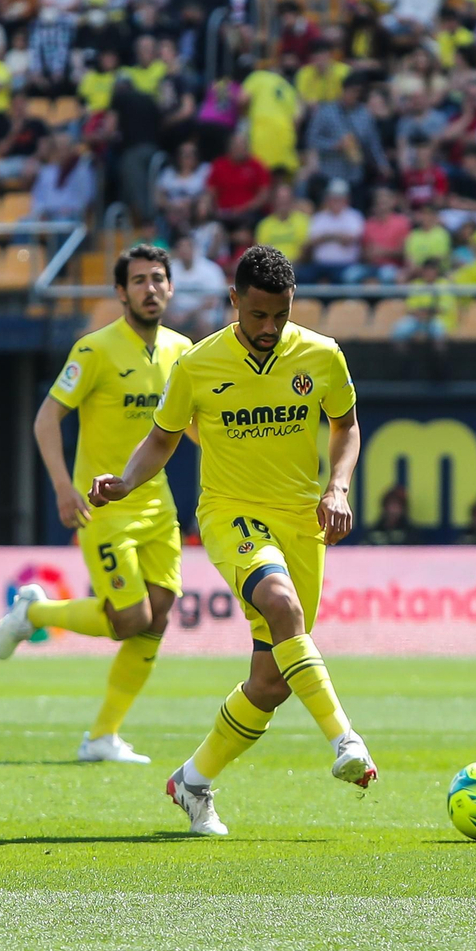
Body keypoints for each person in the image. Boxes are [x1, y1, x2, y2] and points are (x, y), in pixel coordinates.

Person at [84, 246, 374, 836]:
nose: (269, 327)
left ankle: (192, 781)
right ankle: (345, 739)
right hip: (230, 514)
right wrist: (127, 480)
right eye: (258, 314)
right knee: (282, 605)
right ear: (234, 300)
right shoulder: (198, 363)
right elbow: (163, 438)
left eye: (281, 315)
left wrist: (338, 487)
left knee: (270, 684)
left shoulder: (321, 354)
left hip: (303, 522)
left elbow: (345, 426)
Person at [0, 245, 196, 765]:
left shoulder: (183, 351)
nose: (150, 288)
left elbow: (192, 426)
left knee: (158, 617)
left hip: (157, 504)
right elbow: (46, 419)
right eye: (139, 280)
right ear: (121, 292)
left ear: (171, 287)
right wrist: (63, 487)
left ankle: (103, 737)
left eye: (158, 279)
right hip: (102, 505)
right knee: (130, 619)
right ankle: (33, 611)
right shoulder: (94, 350)